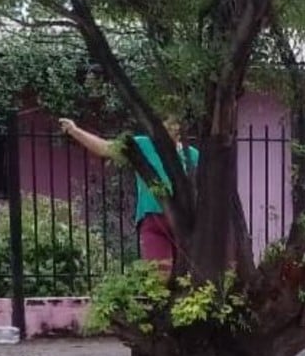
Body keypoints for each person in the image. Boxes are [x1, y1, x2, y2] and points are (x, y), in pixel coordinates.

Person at [58, 117, 199, 275]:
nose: (171, 130)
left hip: (184, 222)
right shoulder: (141, 145)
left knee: (187, 276)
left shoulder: (192, 155)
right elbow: (106, 148)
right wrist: (75, 131)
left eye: (175, 126)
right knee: (160, 276)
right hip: (153, 219)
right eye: (166, 125)